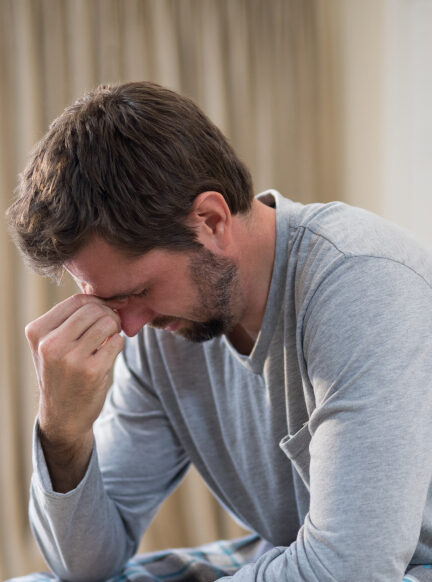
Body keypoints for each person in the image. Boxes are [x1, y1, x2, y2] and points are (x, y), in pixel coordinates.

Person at [6, 81, 432, 582]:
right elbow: (85, 567)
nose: (129, 327)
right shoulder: (165, 335)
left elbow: (351, 568)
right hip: (309, 554)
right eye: (107, 300)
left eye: (137, 291)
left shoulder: (362, 282)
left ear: (210, 219)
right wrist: (63, 431)